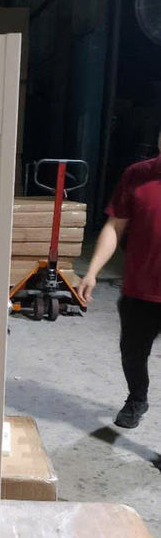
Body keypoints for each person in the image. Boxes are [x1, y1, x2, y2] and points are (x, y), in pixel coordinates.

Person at [78, 135, 161, 428]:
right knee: (133, 354)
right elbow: (115, 226)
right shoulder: (137, 175)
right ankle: (137, 398)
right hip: (140, 290)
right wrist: (92, 271)